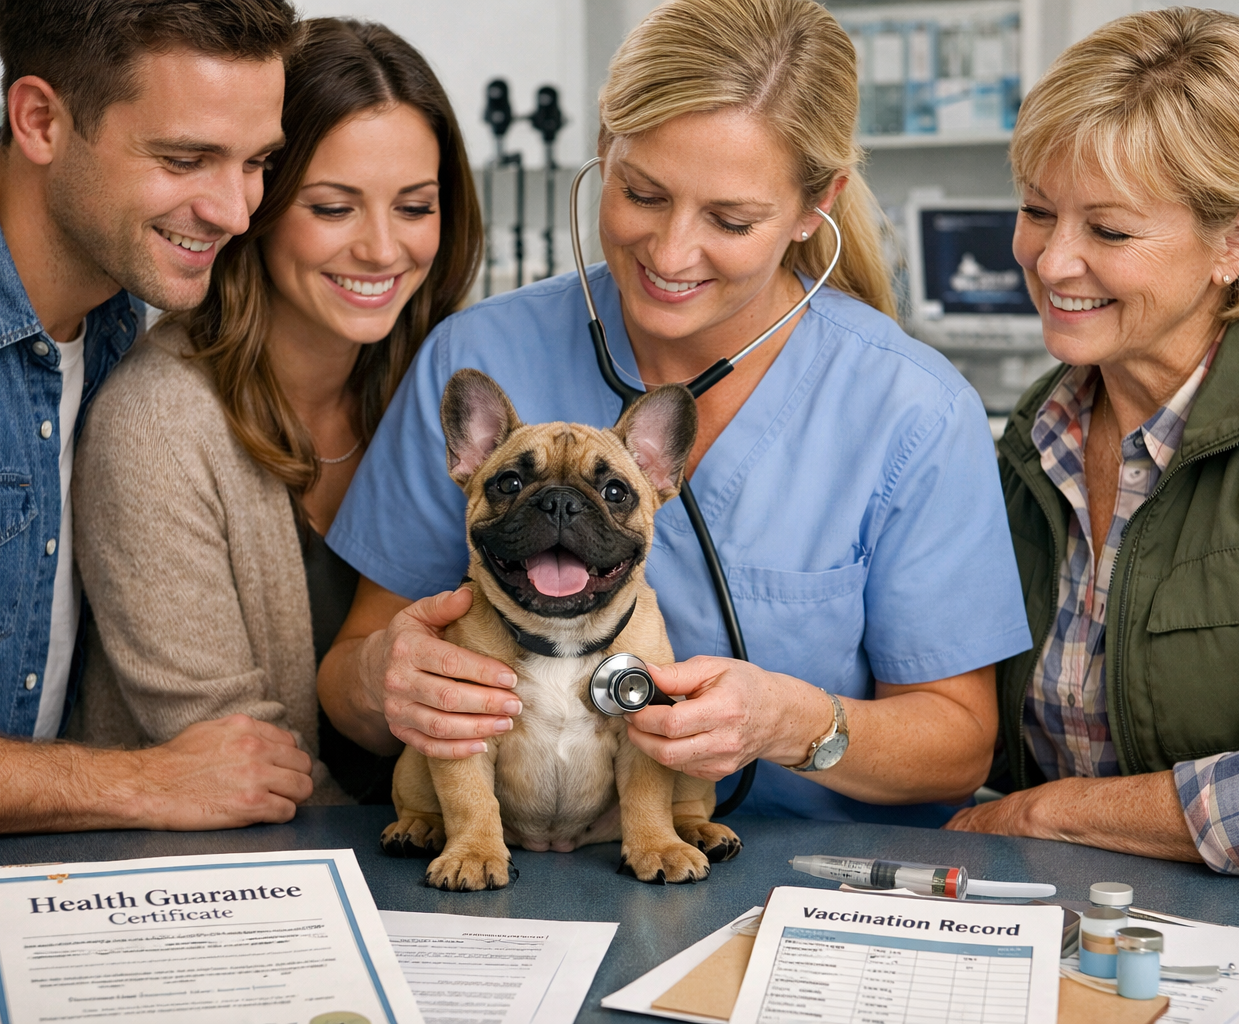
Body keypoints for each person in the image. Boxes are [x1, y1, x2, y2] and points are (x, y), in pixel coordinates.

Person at [318, 0, 1032, 825]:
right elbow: (347, 682)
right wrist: (385, 684)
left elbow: (958, 744)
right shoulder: (478, 354)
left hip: (809, 882)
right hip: (532, 879)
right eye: (642, 193)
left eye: (730, 220)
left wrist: (790, 723)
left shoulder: (912, 409)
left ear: (816, 208)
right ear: (602, 153)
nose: (669, 252)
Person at [945, 8, 1239, 881]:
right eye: (1038, 212)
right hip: (1077, 911)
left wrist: (1043, 814)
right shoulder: (1044, 424)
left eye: (1109, 231)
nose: (1049, 263)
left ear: (1238, 237)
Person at [0, 0, 308, 839]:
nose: (236, 210)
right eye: (186, 159)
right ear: (39, 119)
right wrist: (144, 782)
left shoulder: (116, 303)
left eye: (256, 162)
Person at [71, 19, 483, 806]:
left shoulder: (455, 397)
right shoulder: (157, 427)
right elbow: (235, 759)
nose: (381, 249)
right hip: (247, 877)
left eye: (415, 205)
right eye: (333, 208)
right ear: (254, 206)